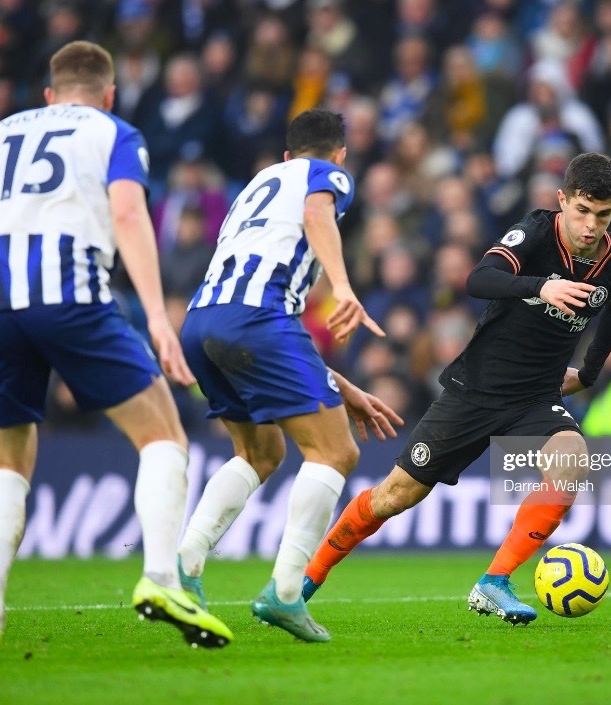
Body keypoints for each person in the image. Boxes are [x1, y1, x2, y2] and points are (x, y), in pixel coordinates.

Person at [0, 41, 232, 660]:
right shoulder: (114, 130)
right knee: (164, 438)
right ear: (109, 93)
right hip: (69, 295)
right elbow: (126, 212)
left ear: (47, 95)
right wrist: (155, 316)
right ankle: (162, 579)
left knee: (7, 466)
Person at [303, 153, 611, 624]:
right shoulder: (536, 233)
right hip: (475, 390)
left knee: (571, 462)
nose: (590, 226)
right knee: (394, 496)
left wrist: (589, 371)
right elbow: (478, 279)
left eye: (602, 215)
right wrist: (541, 287)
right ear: (562, 200)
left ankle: (494, 582)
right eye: (582, 211)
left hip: (536, 397)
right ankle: (306, 579)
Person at [176, 108, 403, 643]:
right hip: (258, 319)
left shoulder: (256, 185)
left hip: (202, 321)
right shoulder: (326, 175)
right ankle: (283, 594)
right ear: (339, 155)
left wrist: (340, 387)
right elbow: (317, 213)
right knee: (337, 454)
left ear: (284, 154)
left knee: (261, 454)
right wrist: (344, 288)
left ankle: (183, 566)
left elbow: (254, 304)